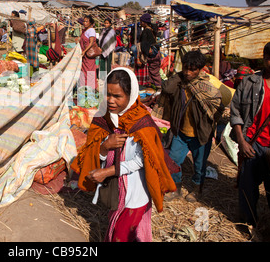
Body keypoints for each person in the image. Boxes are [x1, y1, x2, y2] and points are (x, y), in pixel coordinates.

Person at [70, 68, 176, 242]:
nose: (111, 100)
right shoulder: (102, 118)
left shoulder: (142, 122)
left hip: (136, 193)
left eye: (117, 96)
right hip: (115, 191)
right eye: (108, 94)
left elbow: (141, 160)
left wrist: (108, 172)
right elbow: (93, 153)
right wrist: (105, 147)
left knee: (121, 235)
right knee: (117, 227)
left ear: (131, 95)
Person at [153, 50, 223, 202]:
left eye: (192, 70)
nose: (188, 72)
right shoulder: (179, 83)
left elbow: (218, 108)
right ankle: (176, 189)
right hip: (181, 132)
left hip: (200, 134)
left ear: (200, 69)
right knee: (173, 160)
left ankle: (197, 189)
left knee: (199, 165)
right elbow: (166, 88)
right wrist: (178, 75)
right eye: (185, 68)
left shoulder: (206, 87)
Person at [230, 39, 270, 235]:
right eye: (269, 59)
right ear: (263, 59)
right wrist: (241, 141)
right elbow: (235, 113)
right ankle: (249, 223)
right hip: (253, 143)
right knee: (247, 188)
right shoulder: (250, 83)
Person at [139, 13, 162, 88]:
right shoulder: (151, 29)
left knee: (154, 72)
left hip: (153, 55)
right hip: (155, 53)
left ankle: (159, 87)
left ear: (145, 22)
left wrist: (146, 54)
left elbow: (145, 44)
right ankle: (153, 88)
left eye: (141, 21)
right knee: (152, 72)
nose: (140, 23)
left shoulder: (146, 31)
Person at [79, 15, 98, 90]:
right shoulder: (85, 30)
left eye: (86, 21)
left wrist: (84, 51)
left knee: (89, 71)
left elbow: (91, 42)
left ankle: (91, 87)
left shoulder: (91, 30)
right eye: (84, 21)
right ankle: (85, 86)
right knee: (84, 71)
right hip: (84, 55)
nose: (85, 23)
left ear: (90, 23)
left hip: (88, 54)